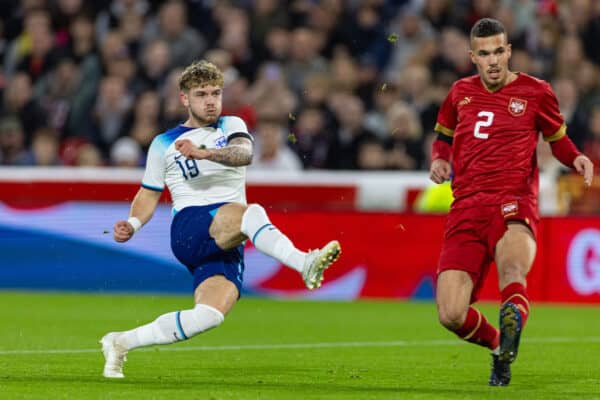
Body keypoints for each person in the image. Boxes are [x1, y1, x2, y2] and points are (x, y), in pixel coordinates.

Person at [100, 60, 341, 379]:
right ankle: (303, 263)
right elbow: (149, 191)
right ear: (185, 99)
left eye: (216, 93)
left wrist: (205, 153)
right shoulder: (163, 143)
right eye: (202, 94)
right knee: (251, 212)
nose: (211, 100)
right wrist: (132, 224)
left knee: (209, 316)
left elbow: (244, 154)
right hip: (190, 227)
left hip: (227, 236)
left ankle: (120, 343)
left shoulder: (231, 125)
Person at [429, 18, 594, 387]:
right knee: (450, 314)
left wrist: (576, 158)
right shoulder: (459, 93)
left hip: (512, 201)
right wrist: (439, 159)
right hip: (466, 207)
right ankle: (500, 345)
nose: (492, 60)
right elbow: (443, 135)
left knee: (512, 273)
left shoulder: (536, 92)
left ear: (509, 51)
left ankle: (510, 322)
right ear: (473, 57)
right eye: (484, 53)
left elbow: (557, 139)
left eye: (498, 51)